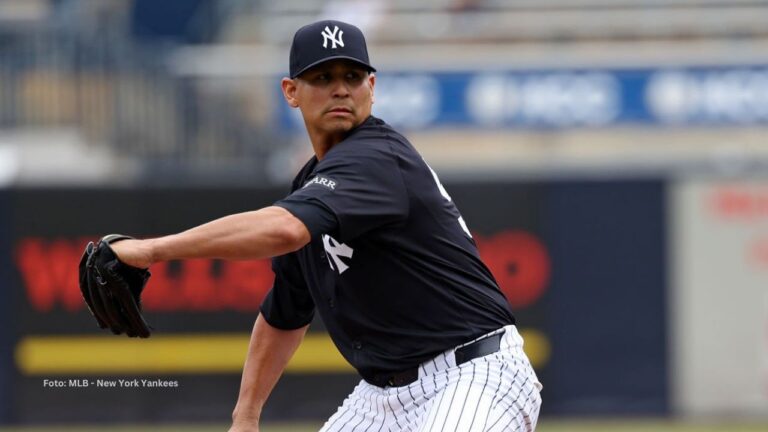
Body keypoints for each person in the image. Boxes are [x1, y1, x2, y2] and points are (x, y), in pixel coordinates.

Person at [110, 20, 542, 432]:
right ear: (291, 91)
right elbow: (284, 314)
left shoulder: (376, 157)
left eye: (353, 76)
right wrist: (246, 416)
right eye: (322, 77)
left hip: (473, 374)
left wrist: (151, 250)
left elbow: (284, 230)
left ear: (371, 88)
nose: (340, 88)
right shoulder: (313, 185)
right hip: (382, 397)